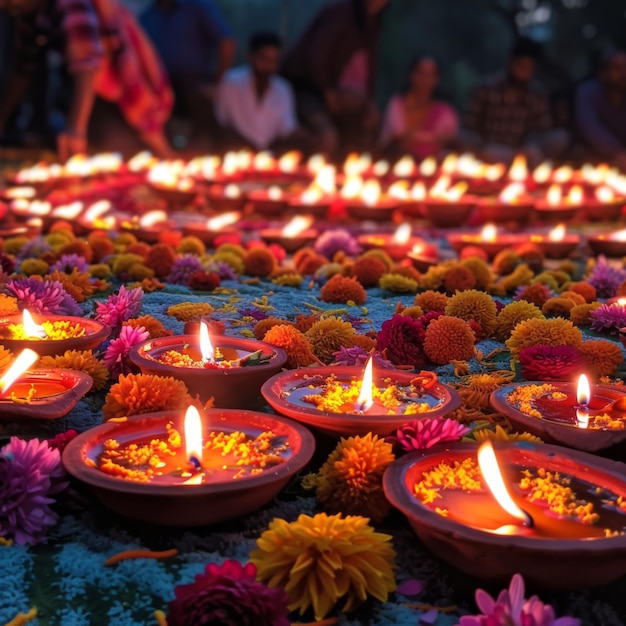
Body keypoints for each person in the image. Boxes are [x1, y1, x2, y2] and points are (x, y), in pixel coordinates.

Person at [0, 0, 174, 159]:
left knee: (122, 149)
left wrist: (76, 127)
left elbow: (86, 64)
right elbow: (23, 70)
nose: (4, 5)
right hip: (86, 91)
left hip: (112, 89)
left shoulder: (69, 4)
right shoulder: (29, 16)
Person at [282, 0, 389, 159]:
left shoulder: (372, 23)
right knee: (327, 135)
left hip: (336, 93)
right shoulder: (341, 14)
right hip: (306, 88)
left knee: (368, 125)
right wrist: (327, 91)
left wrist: (369, 104)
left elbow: (368, 68)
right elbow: (316, 55)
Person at [140, 0, 235, 152]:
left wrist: (217, 82)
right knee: (163, 144)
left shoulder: (198, 6)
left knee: (200, 145)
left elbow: (226, 41)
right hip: (159, 90)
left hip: (194, 88)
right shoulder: (148, 15)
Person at [460, 38, 568, 165]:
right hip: (490, 149)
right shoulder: (486, 89)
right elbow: (470, 125)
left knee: (560, 137)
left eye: (530, 68)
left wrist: (530, 147)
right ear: (511, 63)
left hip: (524, 152)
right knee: (461, 135)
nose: (524, 73)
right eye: (521, 66)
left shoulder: (537, 94)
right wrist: (484, 146)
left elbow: (542, 129)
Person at [215, 32, 309, 154]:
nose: (268, 66)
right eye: (263, 59)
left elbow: (287, 128)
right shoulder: (231, 82)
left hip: (270, 156)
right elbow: (222, 123)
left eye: (273, 61)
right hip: (236, 153)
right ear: (249, 56)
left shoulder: (283, 89)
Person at [380, 55, 458, 159]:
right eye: (421, 73)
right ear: (412, 75)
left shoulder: (444, 111)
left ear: (437, 79)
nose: (425, 79)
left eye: (430, 75)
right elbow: (397, 136)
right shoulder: (397, 103)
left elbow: (449, 138)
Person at [575, 49, 626, 169]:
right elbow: (590, 127)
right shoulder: (587, 92)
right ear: (603, 73)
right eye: (617, 68)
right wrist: (618, 152)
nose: (624, 73)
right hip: (590, 157)